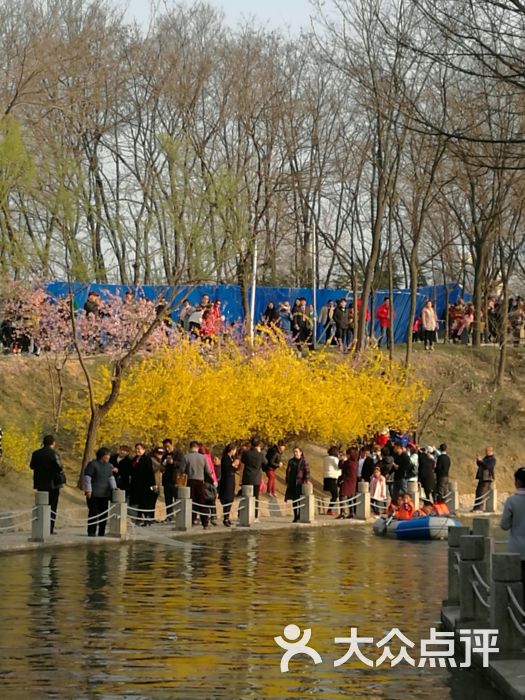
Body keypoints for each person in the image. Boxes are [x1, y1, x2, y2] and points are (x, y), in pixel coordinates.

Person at [30, 435, 64, 534]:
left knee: (41, 506)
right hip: (53, 483)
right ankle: (49, 528)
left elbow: (32, 466)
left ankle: (40, 527)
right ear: (53, 443)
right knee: (52, 507)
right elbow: (59, 467)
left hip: (40, 483)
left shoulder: (36, 453)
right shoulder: (54, 454)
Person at [500, 467, 525, 607]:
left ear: (518, 482)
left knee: (518, 583)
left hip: (517, 549)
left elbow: (504, 525)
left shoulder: (512, 501)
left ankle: (519, 614)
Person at [83, 446, 117, 537]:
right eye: (107, 455)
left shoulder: (109, 466)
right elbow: (87, 478)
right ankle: (91, 532)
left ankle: (101, 532)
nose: (109, 457)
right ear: (102, 456)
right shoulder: (93, 464)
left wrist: (114, 488)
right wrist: (88, 490)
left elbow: (111, 478)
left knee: (104, 514)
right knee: (93, 513)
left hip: (105, 494)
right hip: (94, 493)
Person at [184, 440, 214, 528]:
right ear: (197, 447)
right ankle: (205, 522)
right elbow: (207, 471)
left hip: (190, 481)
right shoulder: (203, 457)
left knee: (191, 501)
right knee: (201, 502)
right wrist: (211, 479)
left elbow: (182, 470)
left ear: (190, 447)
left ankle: (191, 520)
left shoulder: (186, 457)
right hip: (200, 481)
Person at [241, 438, 267, 520]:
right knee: (256, 497)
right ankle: (255, 516)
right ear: (258, 445)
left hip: (247, 477)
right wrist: (259, 452)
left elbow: (243, 462)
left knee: (245, 497)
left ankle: (242, 514)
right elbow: (265, 463)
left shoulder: (246, 453)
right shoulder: (260, 454)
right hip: (256, 478)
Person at [285, 447, 310, 523]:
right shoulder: (291, 461)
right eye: (294, 452)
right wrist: (287, 480)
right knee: (294, 500)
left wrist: (306, 480)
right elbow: (288, 471)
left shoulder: (304, 461)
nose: (295, 453)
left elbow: (307, 472)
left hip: (300, 482)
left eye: (297, 452)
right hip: (292, 483)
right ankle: (296, 516)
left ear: (300, 452)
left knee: (300, 500)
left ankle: (300, 515)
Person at [219, 443, 239, 527]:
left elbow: (234, 469)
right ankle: (225, 518)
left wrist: (235, 465)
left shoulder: (232, 458)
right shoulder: (225, 458)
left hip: (231, 480)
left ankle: (227, 517)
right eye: (234, 450)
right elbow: (227, 469)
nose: (235, 452)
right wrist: (233, 465)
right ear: (231, 450)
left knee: (230, 499)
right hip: (226, 481)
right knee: (227, 499)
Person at [337, 447, 359, 519]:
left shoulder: (348, 462)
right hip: (353, 482)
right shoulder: (356, 462)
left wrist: (341, 459)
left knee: (342, 496)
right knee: (351, 497)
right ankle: (351, 512)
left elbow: (341, 466)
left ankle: (343, 512)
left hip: (346, 481)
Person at [473, 446, 496, 512]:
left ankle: (480, 508)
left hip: (487, 478)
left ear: (491, 451)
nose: (486, 452)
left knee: (482, 493)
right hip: (482, 477)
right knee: (478, 492)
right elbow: (480, 464)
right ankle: (476, 507)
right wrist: (478, 460)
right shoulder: (486, 458)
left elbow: (487, 466)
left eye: (487, 451)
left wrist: (481, 461)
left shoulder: (492, 459)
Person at [323, 446, 341, 516]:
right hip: (332, 478)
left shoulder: (326, 458)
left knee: (333, 495)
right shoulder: (334, 459)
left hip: (326, 477)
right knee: (335, 495)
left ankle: (329, 510)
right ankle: (329, 510)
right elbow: (338, 467)